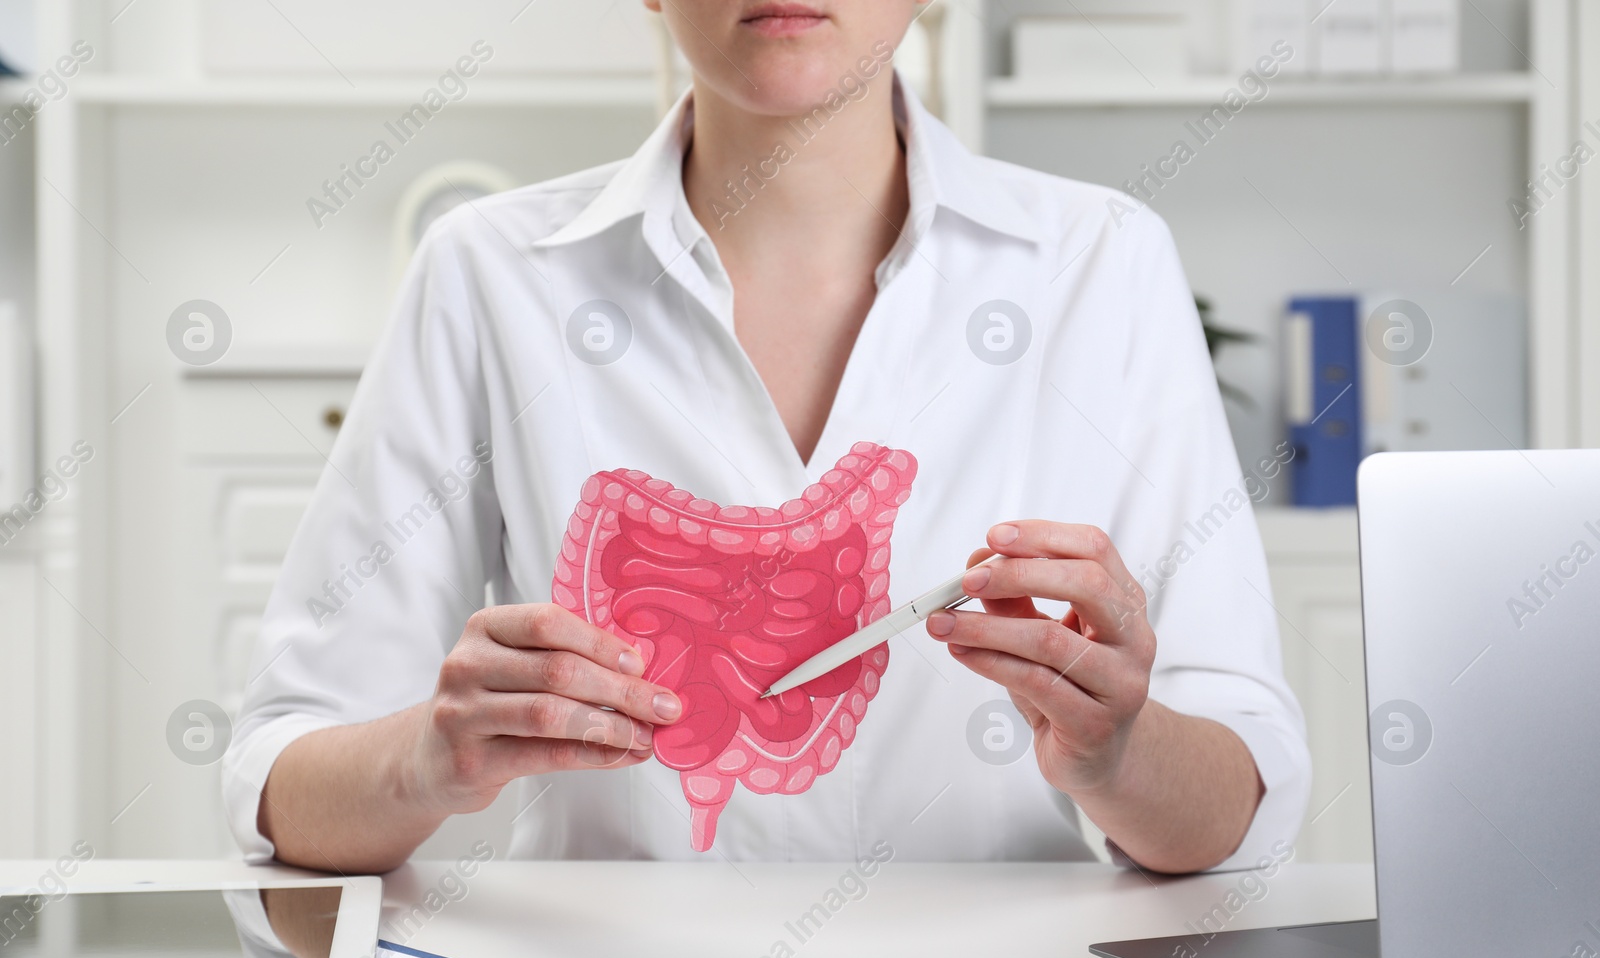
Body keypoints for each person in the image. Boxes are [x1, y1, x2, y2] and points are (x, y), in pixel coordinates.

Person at [224, 0, 1310, 876]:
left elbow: (1233, 811)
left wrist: (1117, 748)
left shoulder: (1101, 265)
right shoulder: (488, 275)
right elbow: (283, 788)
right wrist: (430, 755)